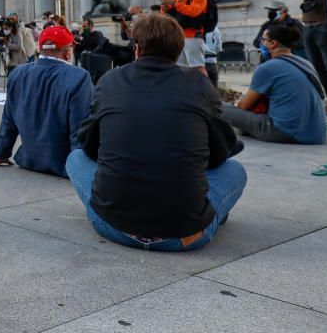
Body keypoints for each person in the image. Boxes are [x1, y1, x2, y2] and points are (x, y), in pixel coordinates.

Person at [65, 14, 246, 252]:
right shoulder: (199, 84)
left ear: (137, 48)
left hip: (113, 225)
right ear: (179, 49)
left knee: (75, 158)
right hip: (187, 234)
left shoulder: (110, 80)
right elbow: (222, 150)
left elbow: (87, 145)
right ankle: (209, 214)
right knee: (235, 170)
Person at [0, 25, 93, 177]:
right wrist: (81, 171)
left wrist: (0, 154)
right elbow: (80, 129)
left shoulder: (18, 73)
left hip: (28, 160)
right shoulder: (79, 77)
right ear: (68, 53)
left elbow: (8, 120)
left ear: (40, 49)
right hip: (63, 164)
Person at [222, 24, 326, 142]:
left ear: (273, 43)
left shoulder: (268, 67)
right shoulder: (306, 63)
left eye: (263, 40)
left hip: (284, 132)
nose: (261, 43)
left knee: (217, 107)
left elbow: (243, 105)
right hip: (316, 135)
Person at [162, 0, 209, 76]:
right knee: (179, 67)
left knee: (197, 67)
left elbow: (194, 11)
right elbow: (170, 15)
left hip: (193, 36)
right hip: (179, 37)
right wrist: (164, 9)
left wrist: (174, 4)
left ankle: (204, 90)